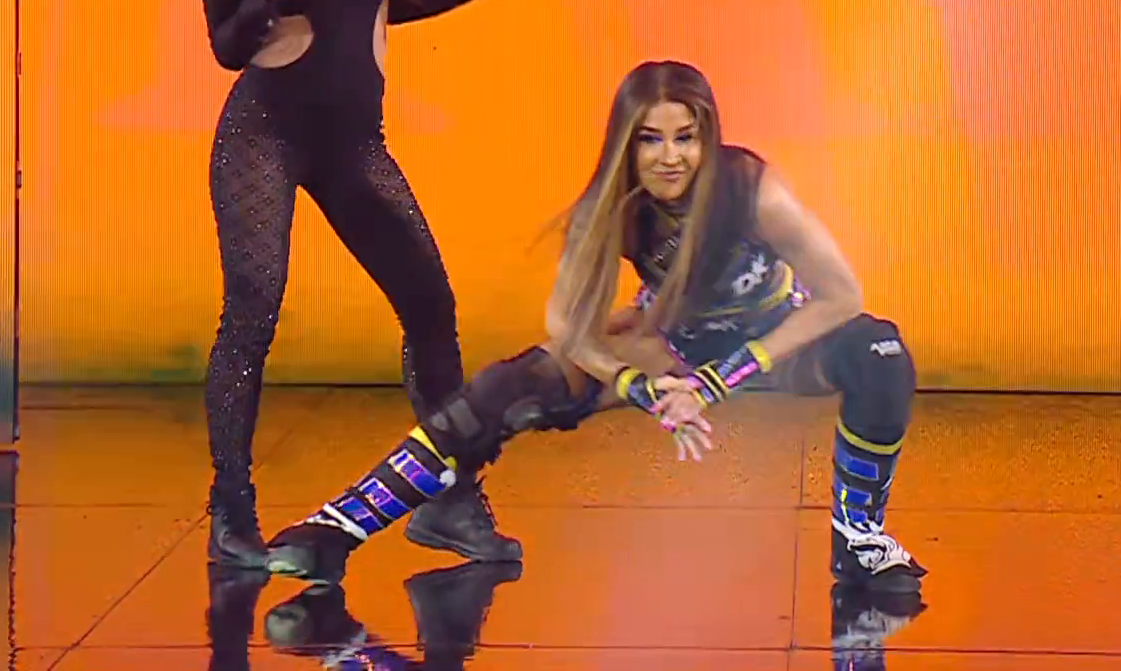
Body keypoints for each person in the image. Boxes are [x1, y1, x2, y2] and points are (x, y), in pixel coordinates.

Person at [260, 60, 928, 595]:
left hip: (777, 339)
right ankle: (336, 529)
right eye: (650, 139)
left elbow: (842, 296)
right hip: (673, 343)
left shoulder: (753, 190)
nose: (670, 157)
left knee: (879, 349)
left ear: (708, 137)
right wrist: (637, 384)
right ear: (625, 143)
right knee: (512, 387)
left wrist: (718, 382)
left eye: (686, 137)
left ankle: (859, 539)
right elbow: (567, 323)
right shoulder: (612, 207)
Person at [195, 0, 529, 568]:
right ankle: (231, 510)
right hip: (262, 138)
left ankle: (450, 500)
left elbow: (387, 3)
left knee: (430, 305)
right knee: (252, 311)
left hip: (352, 143)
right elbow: (226, 49)